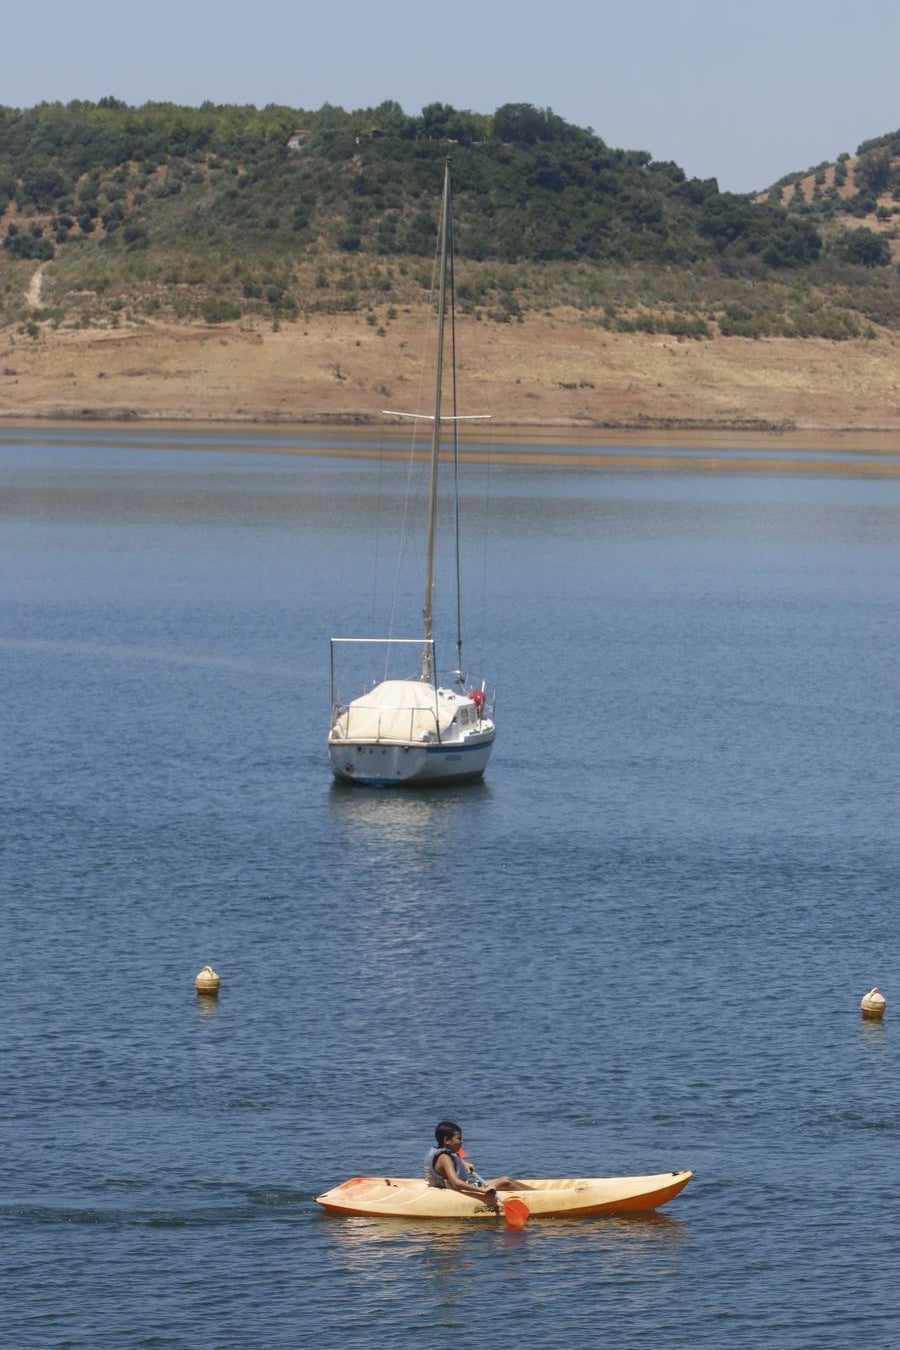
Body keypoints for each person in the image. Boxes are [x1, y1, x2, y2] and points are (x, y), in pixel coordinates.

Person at [424, 1120, 532, 1212]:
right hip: (459, 1190)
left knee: (506, 1180)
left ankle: (537, 1192)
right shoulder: (444, 1157)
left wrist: (463, 1163)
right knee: (505, 1181)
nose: (461, 1142)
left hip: (458, 1187)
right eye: (459, 1139)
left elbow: (445, 1167)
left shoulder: (441, 1154)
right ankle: (539, 1195)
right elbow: (456, 1183)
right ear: (447, 1140)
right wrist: (482, 1191)